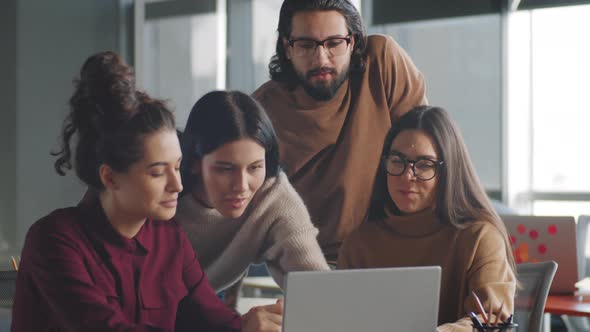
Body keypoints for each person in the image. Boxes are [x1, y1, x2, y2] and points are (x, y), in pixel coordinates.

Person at [11, 52, 281, 332]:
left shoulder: (169, 238)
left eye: (177, 167)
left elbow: (213, 320)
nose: (176, 185)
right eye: (157, 172)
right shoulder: (54, 241)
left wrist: (253, 324)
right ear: (111, 177)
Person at [253, 0, 428, 260]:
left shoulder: (382, 62)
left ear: (353, 42)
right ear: (287, 48)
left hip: (396, 250)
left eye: (334, 43)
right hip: (309, 262)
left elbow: (428, 153)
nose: (321, 59)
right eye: (306, 45)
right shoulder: (261, 111)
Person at [338, 106, 517, 331]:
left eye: (424, 165)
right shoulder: (359, 244)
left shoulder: (480, 237)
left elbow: (492, 322)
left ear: (448, 172)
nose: (407, 175)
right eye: (397, 160)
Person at [176, 90, 329, 297]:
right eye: (225, 169)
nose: (241, 186)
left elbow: (317, 286)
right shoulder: (164, 194)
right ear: (195, 162)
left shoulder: (272, 195)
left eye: (255, 167)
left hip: (210, 301)